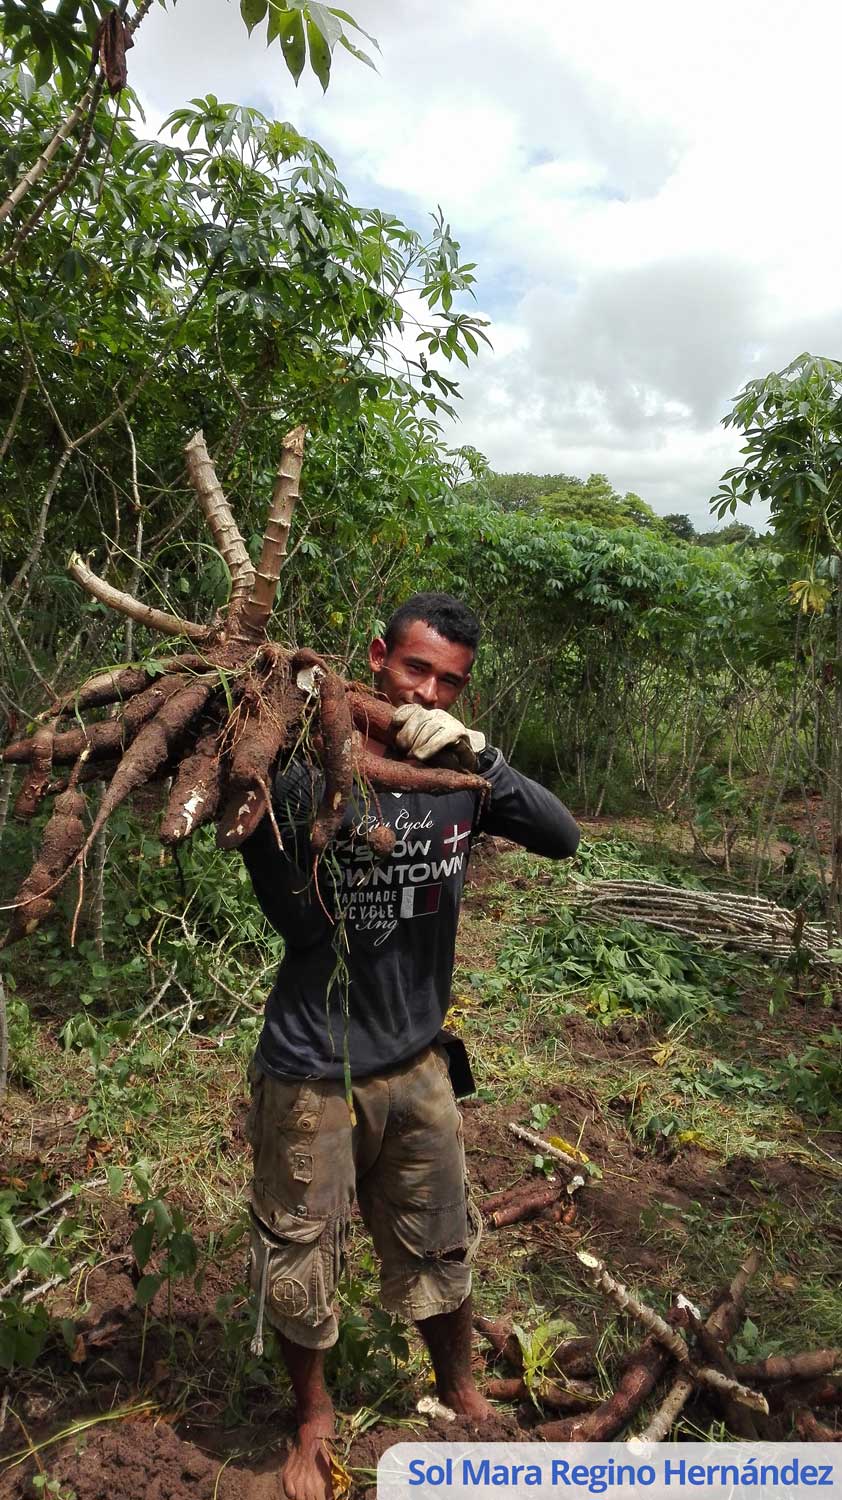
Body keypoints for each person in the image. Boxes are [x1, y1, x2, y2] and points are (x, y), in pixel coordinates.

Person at [241, 592, 580, 1500]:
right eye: (414, 671)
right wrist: (307, 809)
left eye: (450, 683)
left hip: (421, 1057)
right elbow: (302, 929)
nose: (428, 693)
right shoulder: (308, 773)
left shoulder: (465, 777)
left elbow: (562, 835)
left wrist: (482, 759)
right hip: (315, 1061)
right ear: (376, 658)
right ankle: (313, 1414)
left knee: (439, 1239)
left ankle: (458, 1386)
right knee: (302, 1248)